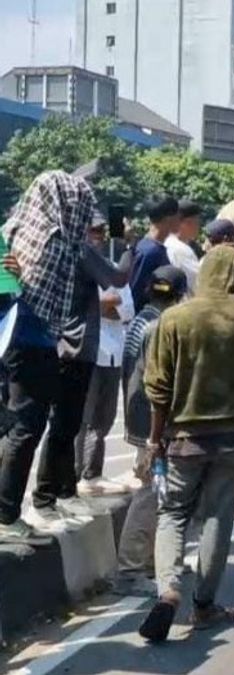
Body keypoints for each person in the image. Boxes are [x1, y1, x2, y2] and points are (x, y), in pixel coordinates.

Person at [137, 245, 234, 642]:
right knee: (218, 518)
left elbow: (158, 389)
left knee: (173, 515)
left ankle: (168, 588)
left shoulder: (175, 318)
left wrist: (154, 440)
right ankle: (204, 607)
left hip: (183, 438)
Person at [0, 173, 110, 542]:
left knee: (17, 426)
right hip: (33, 339)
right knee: (27, 427)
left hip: (12, 339)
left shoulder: (15, 226)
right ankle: (6, 513)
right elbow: (52, 304)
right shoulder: (58, 243)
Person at [114, 265, 187, 597]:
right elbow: (160, 382)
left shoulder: (141, 320)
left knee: (156, 491)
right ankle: (130, 570)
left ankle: (148, 563)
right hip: (151, 422)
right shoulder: (160, 326)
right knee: (149, 493)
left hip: (138, 416)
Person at [75, 219, 136, 496]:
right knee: (81, 420)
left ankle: (93, 473)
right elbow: (94, 306)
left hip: (113, 351)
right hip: (88, 352)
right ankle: (76, 475)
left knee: (105, 418)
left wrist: (106, 306)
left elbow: (125, 310)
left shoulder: (111, 268)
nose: (97, 237)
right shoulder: (78, 264)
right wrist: (105, 305)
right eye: (93, 231)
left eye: (101, 231)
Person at [129, 196, 180, 311]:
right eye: (178, 216)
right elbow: (137, 289)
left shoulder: (156, 248)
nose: (180, 221)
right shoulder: (149, 252)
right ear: (168, 219)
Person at [165, 200, 202, 295]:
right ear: (187, 223)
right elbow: (199, 283)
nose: (199, 226)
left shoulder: (166, 243)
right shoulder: (180, 250)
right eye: (197, 222)